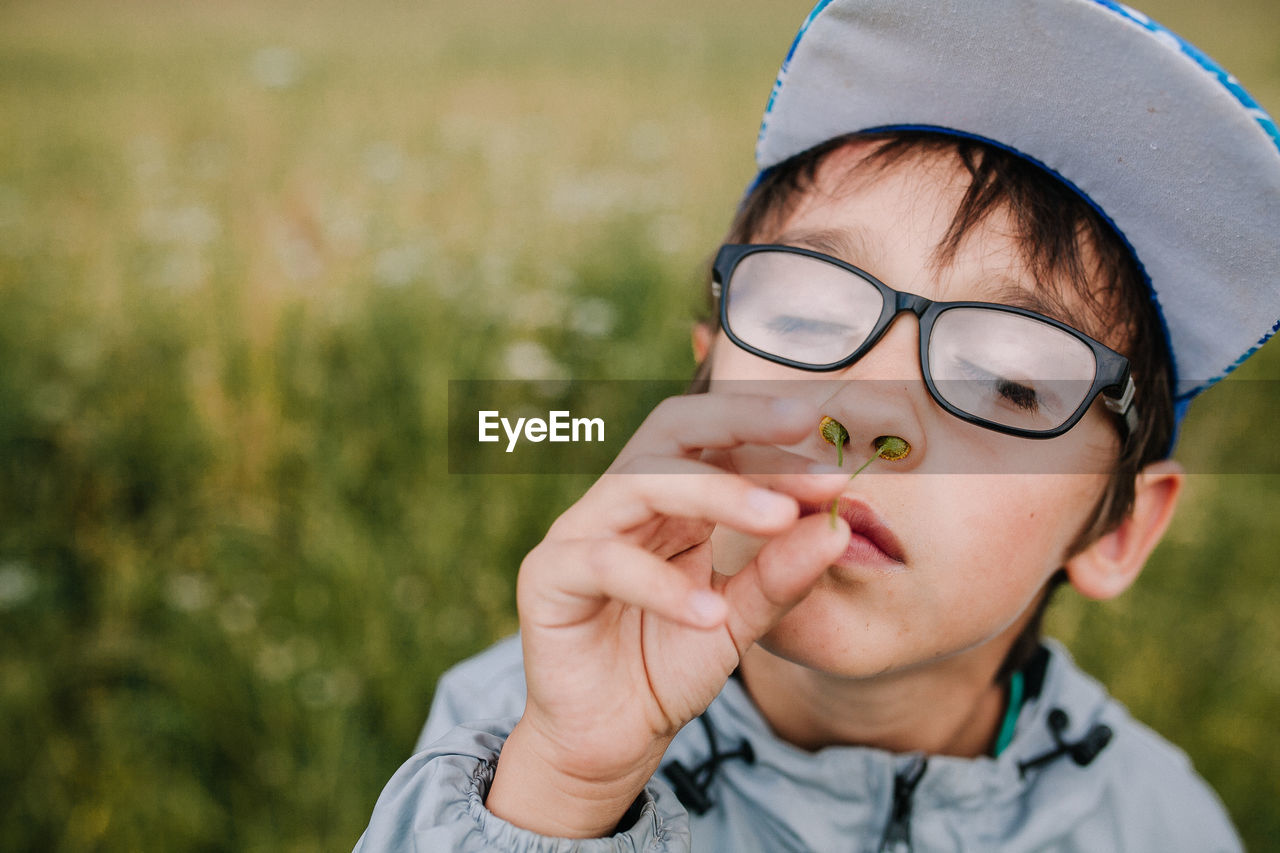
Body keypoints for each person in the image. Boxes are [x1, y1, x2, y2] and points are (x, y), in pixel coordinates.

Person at [354, 1, 1279, 849]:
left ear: (1118, 529)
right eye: (804, 320)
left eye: (1010, 383)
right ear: (703, 382)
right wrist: (566, 790)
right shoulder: (514, 732)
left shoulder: (1162, 825)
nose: (869, 408)